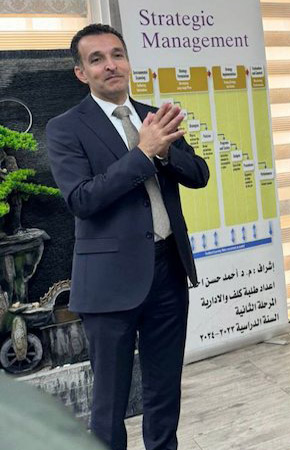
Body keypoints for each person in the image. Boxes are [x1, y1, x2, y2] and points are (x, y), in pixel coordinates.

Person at [45, 24, 209, 450]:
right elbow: (82, 199)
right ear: (81, 72)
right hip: (108, 283)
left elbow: (199, 175)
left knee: (164, 391)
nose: (110, 65)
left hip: (168, 271)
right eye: (96, 59)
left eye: (117, 54)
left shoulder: (154, 116)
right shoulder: (65, 128)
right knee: (110, 402)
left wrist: (166, 151)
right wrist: (144, 153)